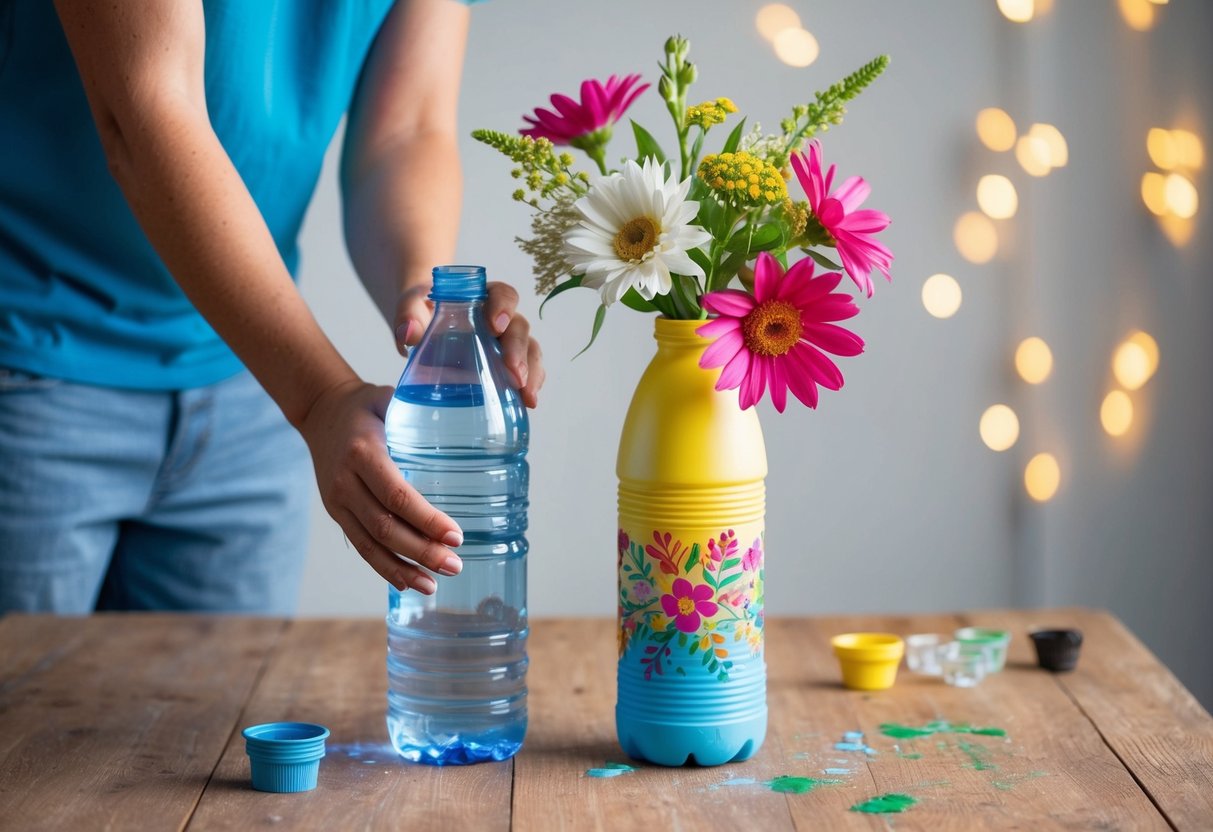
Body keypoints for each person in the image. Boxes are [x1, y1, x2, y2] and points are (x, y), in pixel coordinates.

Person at [0, 0, 544, 614]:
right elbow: (145, 112)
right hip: (28, 356)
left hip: (249, 376)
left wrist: (430, 302)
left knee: (216, 708)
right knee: (25, 705)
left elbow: (407, 131)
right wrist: (318, 399)